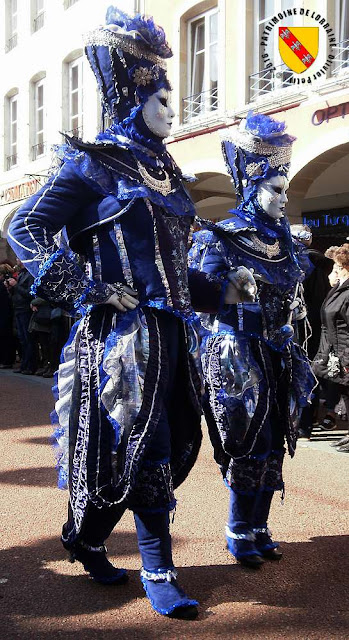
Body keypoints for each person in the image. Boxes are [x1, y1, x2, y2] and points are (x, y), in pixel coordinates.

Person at [7, 7, 247, 619]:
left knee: (168, 442)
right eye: (161, 97)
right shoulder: (95, 163)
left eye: (173, 96)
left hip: (175, 336)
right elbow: (25, 227)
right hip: (123, 339)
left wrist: (229, 292)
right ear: (131, 96)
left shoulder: (166, 173)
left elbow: (173, 271)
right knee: (143, 447)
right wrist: (88, 285)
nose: (173, 108)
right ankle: (158, 567)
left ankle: (85, 536)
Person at [189, 112, 316, 568]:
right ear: (253, 185)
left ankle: (259, 526)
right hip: (237, 355)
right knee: (248, 442)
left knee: (278, 438)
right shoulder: (219, 239)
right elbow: (203, 297)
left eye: (287, 190)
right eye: (277, 190)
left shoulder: (285, 244)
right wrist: (237, 290)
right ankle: (238, 529)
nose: (284, 199)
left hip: (277, 352)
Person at [290, 225, 333, 439]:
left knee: (295, 373)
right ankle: (306, 423)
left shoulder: (295, 262)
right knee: (310, 373)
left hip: (297, 328)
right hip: (316, 329)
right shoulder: (321, 268)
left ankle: (299, 422)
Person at [313, 244, 349, 451]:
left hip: (345, 351)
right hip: (336, 351)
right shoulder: (338, 290)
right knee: (343, 391)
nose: (332, 273)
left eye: (336, 269)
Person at [4, 259, 36, 374]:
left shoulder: (29, 275)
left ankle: (30, 366)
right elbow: (17, 293)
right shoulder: (21, 274)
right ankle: (24, 364)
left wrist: (16, 285)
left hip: (25, 310)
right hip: (18, 308)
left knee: (28, 339)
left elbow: (29, 293)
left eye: (18, 258)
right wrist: (10, 288)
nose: (17, 260)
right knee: (22, 339)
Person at [0, 264, 16, 368]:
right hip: (5, 313)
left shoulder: (3, 286)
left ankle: (7, 360)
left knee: (6, 337)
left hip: (5, 314)